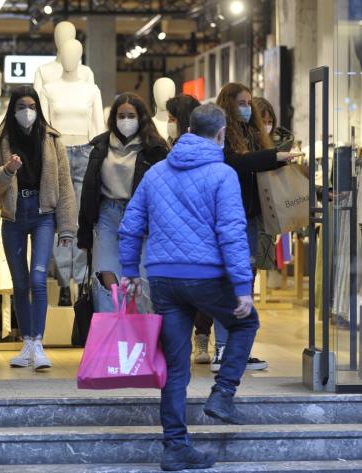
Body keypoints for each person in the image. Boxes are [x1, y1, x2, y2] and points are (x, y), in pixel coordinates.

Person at [119, 104, 259, 471]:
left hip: (163, 279)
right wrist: (242, 285)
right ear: (221, 134)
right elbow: (231, 231)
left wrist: (129, 269)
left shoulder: (157, 172)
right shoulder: (222, 173)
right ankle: (223, 395)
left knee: (176, 368)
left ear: (186, 130)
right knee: (245, 323)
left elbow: (131, 222)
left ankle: (176, 447)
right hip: (206, 276)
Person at [206, 82, 303, 373]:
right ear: (229, 104)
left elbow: (271, 176)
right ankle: (222, 350)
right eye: (242, 102)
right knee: (229, 284)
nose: (248, 108)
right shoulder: (219, 136)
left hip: (250, 219)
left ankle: (238, 350)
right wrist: (274, 157)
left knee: (244, 285)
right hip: (226, 218)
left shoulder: (254, 135)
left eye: (249, 102)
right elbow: (237, 163)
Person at [0, 85, 76, 370]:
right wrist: (8, 170)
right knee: (20, 283)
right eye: (22, 107)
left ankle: (38, 342)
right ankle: (26, 342)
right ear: (13, 109)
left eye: (32, 107)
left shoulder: (51, 139)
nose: (27, 112)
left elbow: (64, 185)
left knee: (38, 280)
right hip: (13, 216)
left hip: (43, 215)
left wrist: (67, 227)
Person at [78, 93, 168, 314]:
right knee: (104, 275)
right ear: (113, 118)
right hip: (107, 213)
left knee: (141, 280)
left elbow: (164, 191)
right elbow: (89, 189)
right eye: (121, 115)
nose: (126, 120)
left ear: (141, 118)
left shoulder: (155, 148)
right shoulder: (100, 146)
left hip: (142, 218)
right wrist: (84, 231)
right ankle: (111, 333)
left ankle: (141, 335)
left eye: (131, 115)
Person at [165, 94, 213, 364]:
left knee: (201, 284)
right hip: (174, 222)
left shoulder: (203, 146)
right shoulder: (167, 144)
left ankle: (202, 337)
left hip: (198, 221)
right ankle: (183, 338)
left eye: (172, 118)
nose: (168, 123)